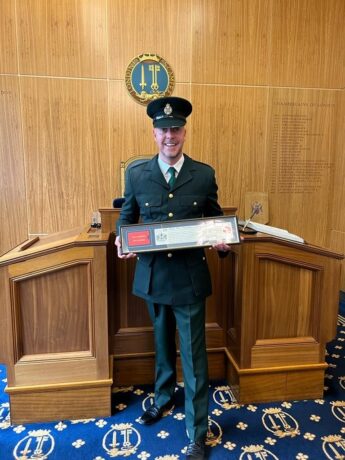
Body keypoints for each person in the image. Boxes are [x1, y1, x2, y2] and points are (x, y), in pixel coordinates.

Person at [115, 96, 231, 460]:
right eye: (164, 130)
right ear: (154, 133)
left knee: (194, 355)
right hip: (153, 276)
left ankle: (197, 430)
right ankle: (163, 399)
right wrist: (122, 239)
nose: (170, 136)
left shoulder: (204, 174)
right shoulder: (136, 174)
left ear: (184, 132)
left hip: (189, 278)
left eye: (176, 129)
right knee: (162, 345)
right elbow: (128, 218)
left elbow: (215, 220)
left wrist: (223, 243)